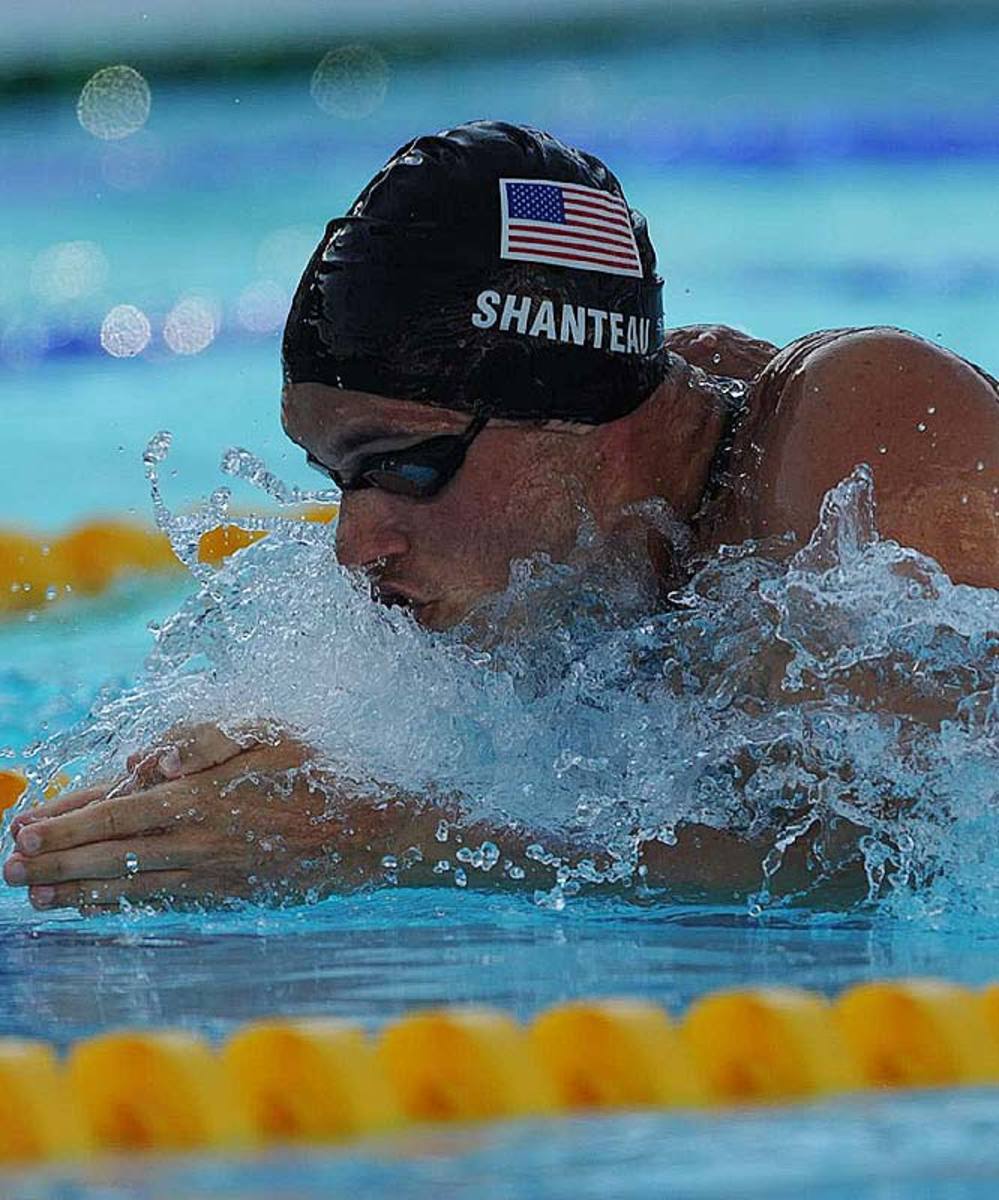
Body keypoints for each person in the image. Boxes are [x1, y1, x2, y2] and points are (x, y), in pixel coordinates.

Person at [4, 121, 996, 912]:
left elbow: (868, 866)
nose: (357, 544)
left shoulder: (868, 439)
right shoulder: (596, 540)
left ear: (580, 419)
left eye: (407, 466)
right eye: (342, 478)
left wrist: (400, 838)